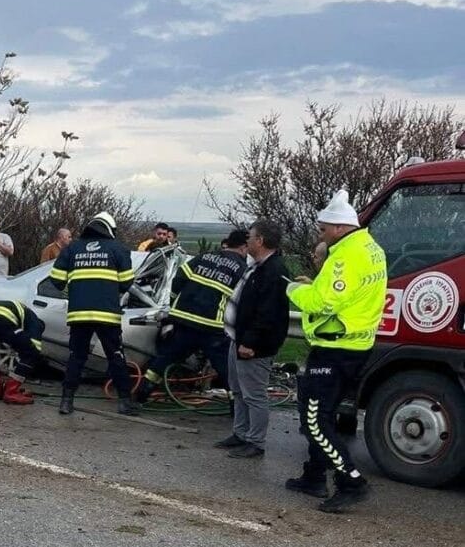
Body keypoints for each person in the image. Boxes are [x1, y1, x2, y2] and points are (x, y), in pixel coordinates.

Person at [286, 189, 386, 513]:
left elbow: (323, 301)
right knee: (322, 412)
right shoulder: (370, 248)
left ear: (340, 227)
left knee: (315, 419)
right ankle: (314, 476)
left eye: (324, 228)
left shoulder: (345, 257)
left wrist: (294, 290)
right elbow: (343, 293)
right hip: (356, 345)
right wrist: (314, 284)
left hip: (335, 349)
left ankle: (351, 481)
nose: (322, 233)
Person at [135, 229, 248, 406]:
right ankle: (237, 407)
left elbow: (179, 277)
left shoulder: (205, 257)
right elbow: (241, 301)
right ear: (243, 247)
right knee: (225, 367)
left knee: (166, 356)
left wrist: (173, 303)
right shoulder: (241, 268)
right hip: (211, 325)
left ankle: (143, 392)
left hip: (183, 318)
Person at [215, 222, 291, 459]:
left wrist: (251, 342)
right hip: (237, 338)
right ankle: (240, 433)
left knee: (254, 394)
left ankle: (255, 441)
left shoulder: (274, 271)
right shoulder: (257, 267)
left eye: (251, 237)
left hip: (254, 345)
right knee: (238, 390)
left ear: (261, 241)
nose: (246, 241)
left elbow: (267, 313)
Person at [51, 212, 135, 415]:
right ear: (110, 229)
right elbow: (127, 282)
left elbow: (56, 279)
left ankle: (66, 401)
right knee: (115, 356)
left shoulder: (72, 248)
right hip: (107, 315)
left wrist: (75, 290)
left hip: (79, 314)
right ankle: (124, 402)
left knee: (76, 357)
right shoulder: (118, 249)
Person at [0, 300, 45, 405]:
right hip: (1, 315)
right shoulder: (36, 325)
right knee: (32, 353)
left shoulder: (26, 316)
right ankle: (11, 392)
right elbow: (35, 349)